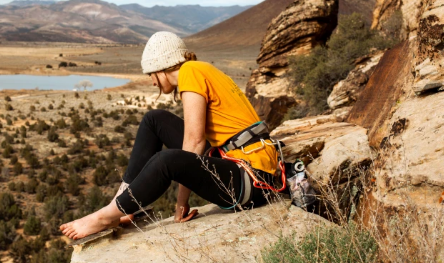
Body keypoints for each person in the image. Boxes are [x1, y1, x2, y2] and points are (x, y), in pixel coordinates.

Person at [60, 31, 278, 240]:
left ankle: (104, 218)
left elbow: (195, 141)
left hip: (252, 181)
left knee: (166, 160)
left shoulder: (190, 72)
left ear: (160, 67)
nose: (153, 82)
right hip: (238, 163)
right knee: (154, 120)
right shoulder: (200, 68)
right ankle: (121, 206)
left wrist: (181, 203)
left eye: (151, 74)